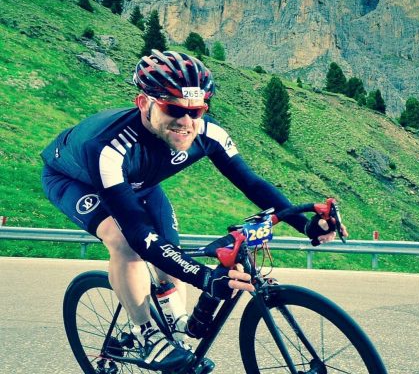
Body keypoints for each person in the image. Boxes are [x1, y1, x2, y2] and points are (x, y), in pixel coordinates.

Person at [41, 50, 346, 371]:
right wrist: (204, 278)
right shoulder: (108, 147)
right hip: (76, 181)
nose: (186, 122)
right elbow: (138, 234)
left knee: (168, 249)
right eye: (173, 109)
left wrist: (305, 225)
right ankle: (146, 334)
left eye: (196, 111)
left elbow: (252, 184)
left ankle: (176, 329)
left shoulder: (207, 132)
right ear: (143, 103)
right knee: (126, 243)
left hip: (139, 183)